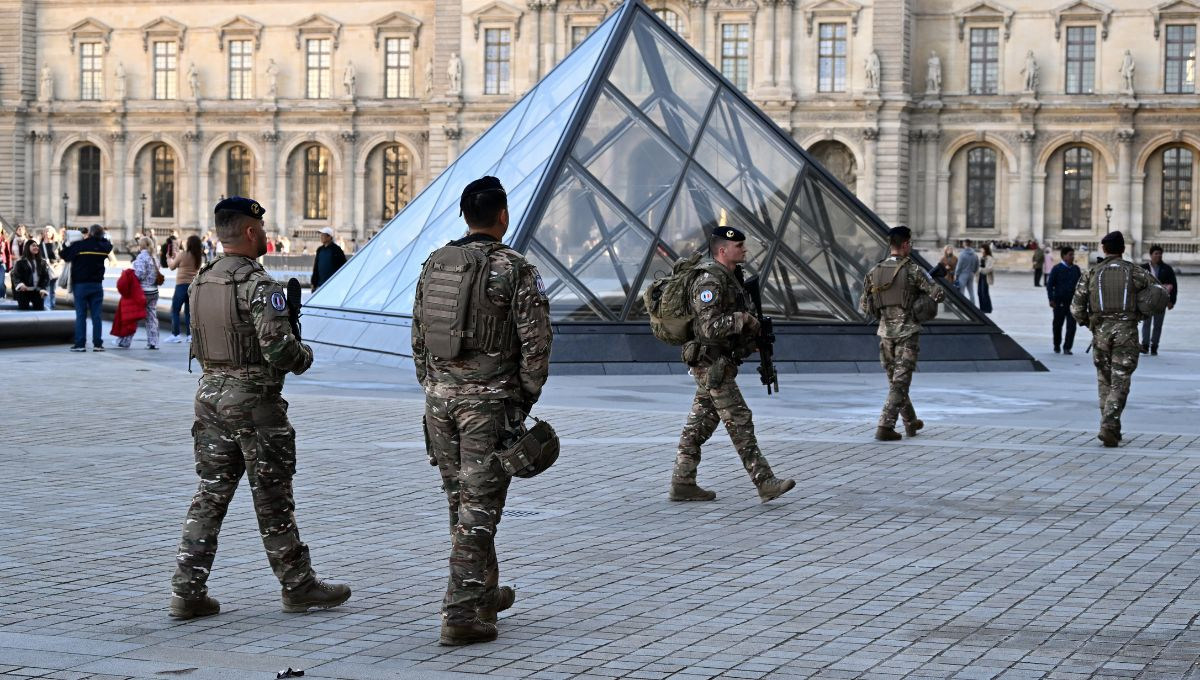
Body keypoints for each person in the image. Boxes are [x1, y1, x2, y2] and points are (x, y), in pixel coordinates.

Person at [170, 196, 350, 620]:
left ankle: (187, 589)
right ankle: (298, 585)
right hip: (253, 403)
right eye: (262, 228)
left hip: (209, 396)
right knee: (273, 498)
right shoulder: (260, 286)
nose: (266, 235)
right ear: (251, 232)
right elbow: (279, 350)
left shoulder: (201, 280)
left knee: (210, 495)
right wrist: (303, 354)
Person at [411, 176, 553, 646]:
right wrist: (523, 398)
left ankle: (483, 592)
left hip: (439, 403)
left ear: (465, 216)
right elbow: (536, 343)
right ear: (503, 215)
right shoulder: (515, 268)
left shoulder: (435, 263)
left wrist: (435, 386)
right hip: (486, 407)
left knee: (462, 500)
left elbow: (417, 336)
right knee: (479, 508)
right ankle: (460, 615)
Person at [672, 227, 796, 504]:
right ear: (722, 250)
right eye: (739, 245)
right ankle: (765, 482)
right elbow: (709, 327)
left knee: (699, 425)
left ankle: (683, 482)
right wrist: (743, 320)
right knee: (740, 421)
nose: (745, 250)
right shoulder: (710, 283)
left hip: (718, 363)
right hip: (711, 363)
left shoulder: (730, 278)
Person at [860, 226, 946, 441]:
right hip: (907, 333)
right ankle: (885, 426)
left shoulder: (874, 271)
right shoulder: (913, 270)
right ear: (906, 244)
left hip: (884, 334)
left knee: (896, 381)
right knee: (900, 383)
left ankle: (910, 422)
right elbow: (938, 294)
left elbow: (864, 305)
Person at [1070, 231, 1155, 447]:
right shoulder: (1135, 272)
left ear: (1104, 249)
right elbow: (1159, 293)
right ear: (1122, 249)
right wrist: (1141, 313)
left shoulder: (1091, 273)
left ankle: (1111, 428)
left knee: (1104, 381)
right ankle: (1109, 426)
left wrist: (1089, 323)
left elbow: (1076, 307)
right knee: (1120, 381)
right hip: (1126, 332)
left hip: (1101, 333)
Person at [61, 223, 113, 351]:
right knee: (96, 316)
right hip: (96, 284)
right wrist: (97, 236)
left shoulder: (79, 245)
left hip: (81, 285)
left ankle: (80, 344)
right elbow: (108, 244)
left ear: (89, 233)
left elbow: (64, 255)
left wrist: (70, 240)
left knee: (81, 315)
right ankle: (97, 344)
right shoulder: (103, 246)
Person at [117, 237, 161, 349]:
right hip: (154, 291)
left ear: (141, 245)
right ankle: (153, 342)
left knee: (132, 316)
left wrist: (130, 274)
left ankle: (125, 341)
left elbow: (140, 273)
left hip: (142, 292)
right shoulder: (154, 257)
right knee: (151, 317)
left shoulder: (142, 256)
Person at [1140, 245, 1178, 356]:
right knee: (1146, 323)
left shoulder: (1167, 269)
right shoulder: (1143, 268)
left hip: (1161, 301)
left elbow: (1174, 285)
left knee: (1158, 325)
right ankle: (1145, 345)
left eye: (1160, 253)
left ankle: (1155, 345)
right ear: (1151, 255)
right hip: (1147, 301)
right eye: (1156, 253)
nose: (1158, 255)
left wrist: (1172, 301)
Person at [166, 235, 204, 343]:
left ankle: (175, 334)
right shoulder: (199, 256)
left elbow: (172, 266)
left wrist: (168, 258)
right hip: (193, 286)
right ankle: (189, 335)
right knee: (188, 312)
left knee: (175, 310)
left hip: (181, 285)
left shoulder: (183, 255)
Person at [1046, 246, 1081, 355]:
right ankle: (1057, 345)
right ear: (1064, 256)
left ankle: (1067, 347)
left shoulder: (1076, 269)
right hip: (1059, 302)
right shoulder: (1057, 269)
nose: (1072, 257)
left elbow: (1080, 285)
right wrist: (1051, 299)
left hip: (1072, 303)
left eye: (1073, 254)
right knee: (1057, 325)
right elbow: (1050, 285)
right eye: (1070, 254)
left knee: (1071, 326)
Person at [11, 240, 51, 310]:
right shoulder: (20, 262)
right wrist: (21, 285)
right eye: (33, 245)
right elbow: (16, 276)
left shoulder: (42, 262)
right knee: (23, 312)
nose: (36, 247)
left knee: (39, 311)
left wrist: (43, 288)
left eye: (37, 246)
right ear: (27, 247)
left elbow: (46, 277)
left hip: (38, 292)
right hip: (24, 292)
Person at [41, 225, 62, 309]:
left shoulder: (57, 244)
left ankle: (52, 305)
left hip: (55, 269)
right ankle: (47, 306)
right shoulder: (40, 245)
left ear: (53, 233)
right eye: (46, 231)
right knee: (47, 287)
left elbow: (62, 255)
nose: (47, 233)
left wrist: (58, 262)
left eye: (49, 231)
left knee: (53, 289)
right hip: (45, 269)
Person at [955, 239, 980, 305]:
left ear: (964, 244)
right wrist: (973, 272)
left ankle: (961, 305)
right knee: (971, 291)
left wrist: (956, 274)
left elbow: (959, 266)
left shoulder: (962, 254)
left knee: (961, 291)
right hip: (971, 274)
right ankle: (973, 305)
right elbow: (977, 265)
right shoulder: (975, 255)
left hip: (963, 274)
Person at [977, 242, 995, 314]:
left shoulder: (990, 258)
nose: (981, 250)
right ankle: (982, 308)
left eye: (982, 248)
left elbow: (990, 268)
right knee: (979, 292)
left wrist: (981, 270)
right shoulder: (981, 257)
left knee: (985, 292)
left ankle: (987, 308)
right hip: (980, 277)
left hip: (986, 277)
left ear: (985, 249)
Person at [0, 226, 12, 299]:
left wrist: (8, 266)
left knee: (0, 282)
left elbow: (8, 254)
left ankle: (1, 297)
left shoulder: (4, 240)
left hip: (1, 263)